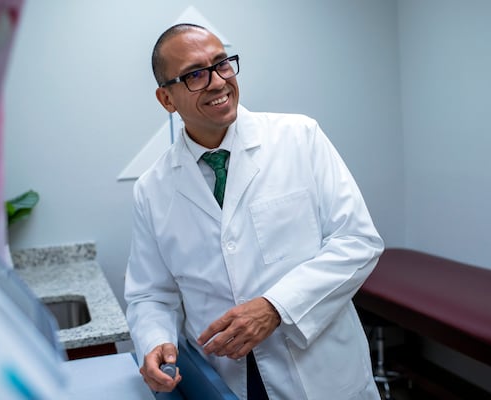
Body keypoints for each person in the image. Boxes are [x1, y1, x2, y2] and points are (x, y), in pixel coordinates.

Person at [124, 23, 384, 400]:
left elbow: (358, 241)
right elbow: (151, 294)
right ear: (166, 99)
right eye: (195, 74)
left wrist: (275, 307)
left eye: (222, 64)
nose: (217, 82)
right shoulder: (152, 189)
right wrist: (155, 341)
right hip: (227, 378)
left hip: (319, 371)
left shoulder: (300, 138)